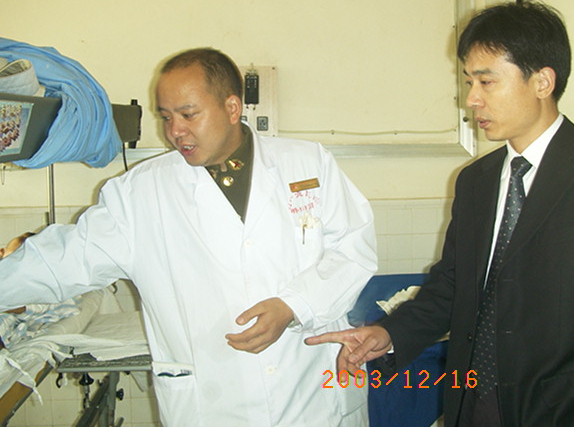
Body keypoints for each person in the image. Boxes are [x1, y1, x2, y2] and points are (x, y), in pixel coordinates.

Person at [0, 48, 377, 426]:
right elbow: (65, 259)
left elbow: (354, 251)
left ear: (232, 108)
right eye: (166, 117)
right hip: (215, 403)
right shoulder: (140, 193)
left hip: (312, 390)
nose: (174, 131)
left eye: (188, 114)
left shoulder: (308, 164)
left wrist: (294, 306)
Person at [306, 1, 574, 426]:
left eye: (487, 81)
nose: (472, 99)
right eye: (469, 81)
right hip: (473, 401)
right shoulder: (476, 181)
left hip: (567, 410)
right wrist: (389, 334)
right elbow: (453, 285)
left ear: (542, 81)